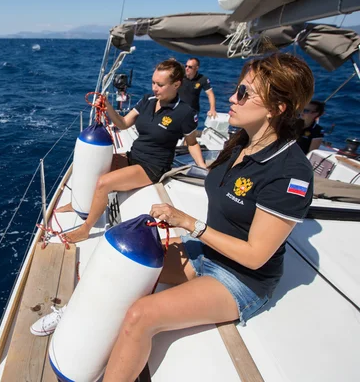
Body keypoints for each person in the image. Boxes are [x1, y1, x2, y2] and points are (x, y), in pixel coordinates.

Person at [101, 53, 315, 381]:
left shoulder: (291, 172)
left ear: (276, 107)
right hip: (208, 253)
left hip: (242, 279)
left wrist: (190, 223)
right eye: (236, 90)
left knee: (140, 315)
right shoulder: (240, 142)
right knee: (125, 270)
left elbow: (256, 256)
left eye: (244, 93)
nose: (231, 97)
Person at [58, 59, 207, 244]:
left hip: (152, 167)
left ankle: (85, 229)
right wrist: (108, 107)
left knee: (104, 183)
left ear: (176, 84)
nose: (155, 88)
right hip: (133, 156)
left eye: (160, 85)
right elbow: (122, 123)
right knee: (93, 165)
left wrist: (201, 166)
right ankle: (79, 204)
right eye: (153, 82)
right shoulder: (147, 101)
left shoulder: (184, 112)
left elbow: (192, 143)